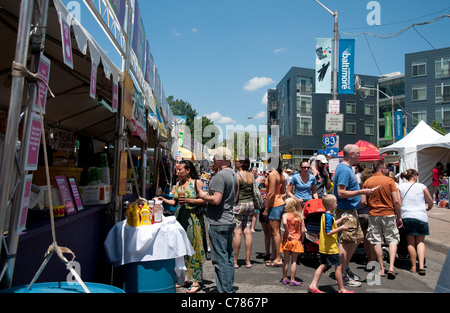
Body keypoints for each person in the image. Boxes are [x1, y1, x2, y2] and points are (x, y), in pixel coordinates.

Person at [159, 160, 207, 293]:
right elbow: (174, 203)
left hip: (193, 219)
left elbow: (205, 199)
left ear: (188, 170)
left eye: (180, 170)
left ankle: (196, 281)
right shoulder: (179, 184)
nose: (178, 172)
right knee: (182, 248)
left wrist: (189, 200)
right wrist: (163, 200)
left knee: (194, 248)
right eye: (178, 170)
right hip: (180, 218)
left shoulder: (197, 183)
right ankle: (186, 278)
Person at [333, 144, 374, 287]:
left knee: (357, 238)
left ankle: (345, 267)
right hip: (346, 211)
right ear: (351, 154)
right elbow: (341, 193)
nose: (359, 155)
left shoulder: (346, 168)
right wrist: (362, 192)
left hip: (351, 210)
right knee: (346, 241)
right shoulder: (344, 170)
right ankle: (342, 273)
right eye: (357, 153)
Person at [198, 147, 238, 293]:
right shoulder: (233, 174)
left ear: (220, 159)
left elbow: (216, 199)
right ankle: (227, 287)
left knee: (220, 259)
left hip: (219, 221)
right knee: (227, 257)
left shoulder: (219, 176)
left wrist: (202, 195)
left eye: (214, 157)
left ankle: (225, 290)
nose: (212, 160)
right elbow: (235, 197)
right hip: (228, 219)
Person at [362, 160, 402, 279]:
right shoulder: (390, 181)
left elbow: (363, 201)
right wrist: (399, 216)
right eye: (386, 168)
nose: (387, 170)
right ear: (382, 168)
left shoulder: (367, 182)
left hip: (374, 214)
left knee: (376, 241)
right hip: (389, 213)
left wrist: (373, 204)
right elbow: (396, 201)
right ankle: (391, 267)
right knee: (392, 240)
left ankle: (381, 268)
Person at [308, 194, 353, 293]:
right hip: (330, 247)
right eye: (336, 202)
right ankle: (341, 289)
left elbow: (331, 225)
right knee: (338, 266)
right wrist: (341, 228)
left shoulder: (325, 215)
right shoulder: (328, 217)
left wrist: (340, 220)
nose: (337, 204)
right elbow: (328, 232)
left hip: (325, 246)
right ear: (331, 204)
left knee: (323, 264)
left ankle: (313, 285)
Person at [398, 169, 433, 275]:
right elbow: (430, 201)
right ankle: (421, 266)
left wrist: (398, 215)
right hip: (420, 216)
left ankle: (413, 266)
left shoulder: (400, 187)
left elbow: (398, 202)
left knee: (410, 242)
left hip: (406, 216)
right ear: (414, 176)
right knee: (420, 242)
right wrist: (428, 208)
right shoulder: (422, 186)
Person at [262, 157, 286, 267]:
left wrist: (266, 209)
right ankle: (274, 255)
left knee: (275, 232)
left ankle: (278, 258)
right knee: (276, 232)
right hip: (280, 203)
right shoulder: (281, 174)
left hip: (274, 204)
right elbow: (282, 192)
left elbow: (271, 194)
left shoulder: (272, 175)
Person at [233, 157, 254, 268]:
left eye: (235, 161)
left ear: (241, 163)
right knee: (248, 231)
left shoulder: (237, 176)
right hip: (250, 204)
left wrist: (233, 203)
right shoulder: (251, 175)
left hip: (240, 204)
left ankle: (235, 261)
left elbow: (236, 195)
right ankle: (248, 261)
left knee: (237, 232)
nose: (234, 163)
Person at [280, 198, 305, 286]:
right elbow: (303, 230)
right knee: (294, 261)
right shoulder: (300, 216)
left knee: (286, 260)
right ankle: (293, 279)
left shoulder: (285, 215)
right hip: (296, 240)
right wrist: (302, 239)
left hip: (287, 240)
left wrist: (287, 232)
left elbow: (284, 223)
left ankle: (284, 277)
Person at [358, 167, 376, 271]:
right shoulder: (375, 187)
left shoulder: (361, 186)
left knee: (365, 239)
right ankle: (373, 260)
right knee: (373, 239)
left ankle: (369, 258)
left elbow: (362, 202)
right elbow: (364, 201)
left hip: (362, 213)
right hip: (372, 213)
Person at [250, 167, 264, 232]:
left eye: (255, 171)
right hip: (249, 197)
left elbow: (260, 188)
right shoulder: (248, 178)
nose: (254, 172)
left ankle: (252, 227)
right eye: (253, 170)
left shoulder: (259, 179)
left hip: (255, 198)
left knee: (255, 213)